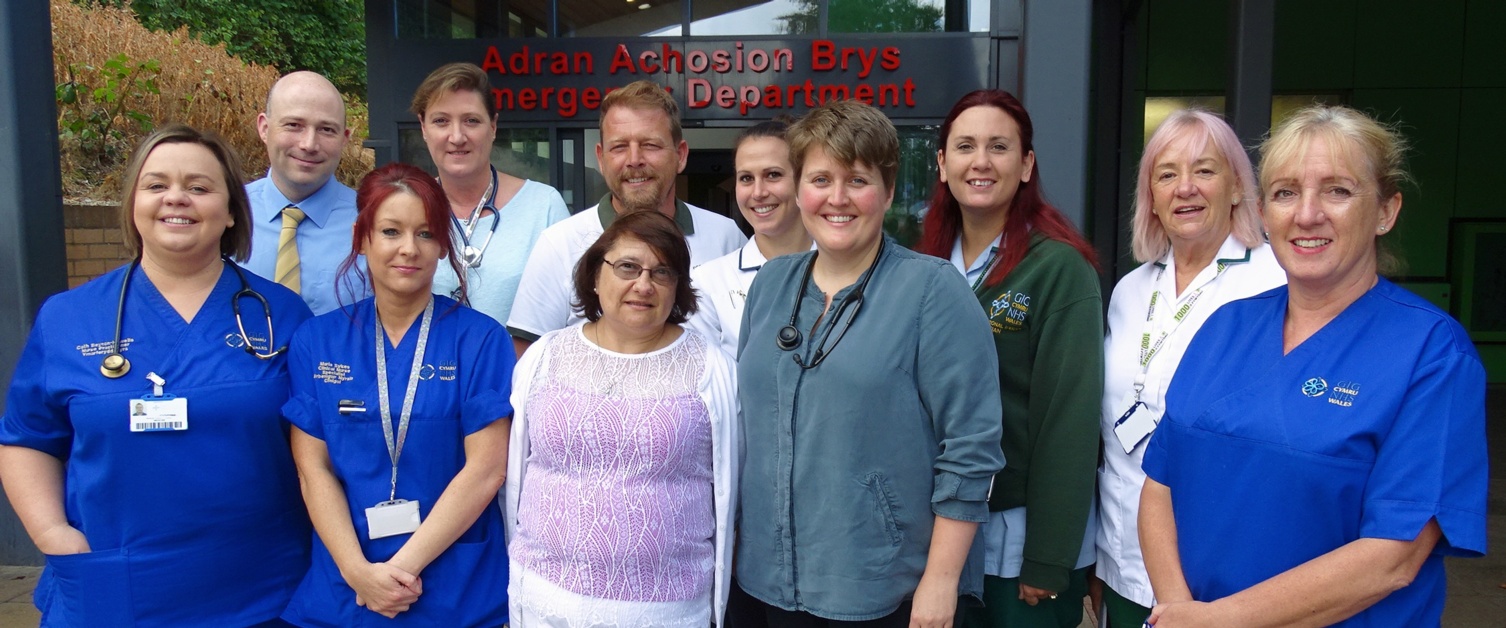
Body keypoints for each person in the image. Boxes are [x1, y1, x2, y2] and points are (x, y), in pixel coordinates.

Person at [1139, 105, 1488, 626]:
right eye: (1284, 192)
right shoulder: (1223, 328)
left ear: (1386, 211)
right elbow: (1159, 486)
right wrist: (1180, 611)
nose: (1306, 214)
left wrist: (1222, 621)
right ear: (1264, 212)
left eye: (1337, 191)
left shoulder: (1432, 353)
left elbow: (1393, 558)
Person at [0, 124, 312, 626]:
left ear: (232, 209)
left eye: (199, 186)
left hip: (261, 589)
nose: (177, 198)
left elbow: (318, 449)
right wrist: (53, 534)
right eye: (157, 184)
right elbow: (28, 439)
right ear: (133, 205)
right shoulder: (67, 318)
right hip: (115, 587)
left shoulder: (282, 315)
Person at [736, 99, 1005, 627]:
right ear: (798, 188)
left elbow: (971, 450)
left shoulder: (932, 291)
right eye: (819, 179)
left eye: (857, 180)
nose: (837, 199)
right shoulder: (770, 286)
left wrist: (941, 581)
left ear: (886, 190)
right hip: (765, 577)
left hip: (879, 586)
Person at [280, 163, 514, 626]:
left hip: (452, 590)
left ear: (443, 246)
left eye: (426, 234)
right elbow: (314, 470)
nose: (409, 249)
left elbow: (487, 469)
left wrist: (400, 570)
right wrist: (357, 573)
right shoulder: (317, 342)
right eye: (390, 231)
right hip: (347, 587)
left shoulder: (481, 339)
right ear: (361, 236)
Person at [913, 89, 1102, 627]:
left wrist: (1049, 557)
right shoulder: (919, 267)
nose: (981, 161)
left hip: (1016, 548)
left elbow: (1070, 420)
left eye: (999, 147)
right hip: (936, 536)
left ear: (1026, 165)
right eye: (966, 146)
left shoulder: (1060, 270)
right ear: (943, 163)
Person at [1093, 109, 1286, 627]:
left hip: (1221, 572)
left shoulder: (1275, 285)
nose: (1185, 188)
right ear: (1150, 197)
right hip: (1123, 556)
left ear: (1238, 188)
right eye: (1167, 174)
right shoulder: (1130, 291)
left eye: (1205, 170)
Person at [505, 210, 738, 627]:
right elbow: (517, 477)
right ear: (595, 275)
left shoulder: (711, 369)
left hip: (667, 611)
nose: (643, 284)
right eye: (628, 266)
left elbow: (730, 488)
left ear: (678, 288)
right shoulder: (544, 357)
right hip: (545, 601)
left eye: (662, 272)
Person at [508, 80, 746, 356]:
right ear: (601, 158)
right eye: (619, 147)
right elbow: (527, 356)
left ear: (680, 155)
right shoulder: (559, 243)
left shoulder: (725, 237)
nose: (634, 160)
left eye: (650, 145)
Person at [413, 62, 570, 325]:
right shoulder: (407, 207)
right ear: (423, 128)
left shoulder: (543, 207)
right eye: (441, 121)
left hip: (517, 365)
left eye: (471, 121)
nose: (457, 136)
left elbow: (571, 311)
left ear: (493, 127)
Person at [688, 118, 811, 358]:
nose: (758, 192)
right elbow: (708, 382)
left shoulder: (842, 270)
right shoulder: (708, 283)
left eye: (773, 175)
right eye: (746, 178)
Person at [243, 70, 362, 315]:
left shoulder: (373, 223)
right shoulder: (225, 214)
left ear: (344, 138)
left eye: (327, 130)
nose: (309, 144)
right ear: (264, 128)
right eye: (294, 125)